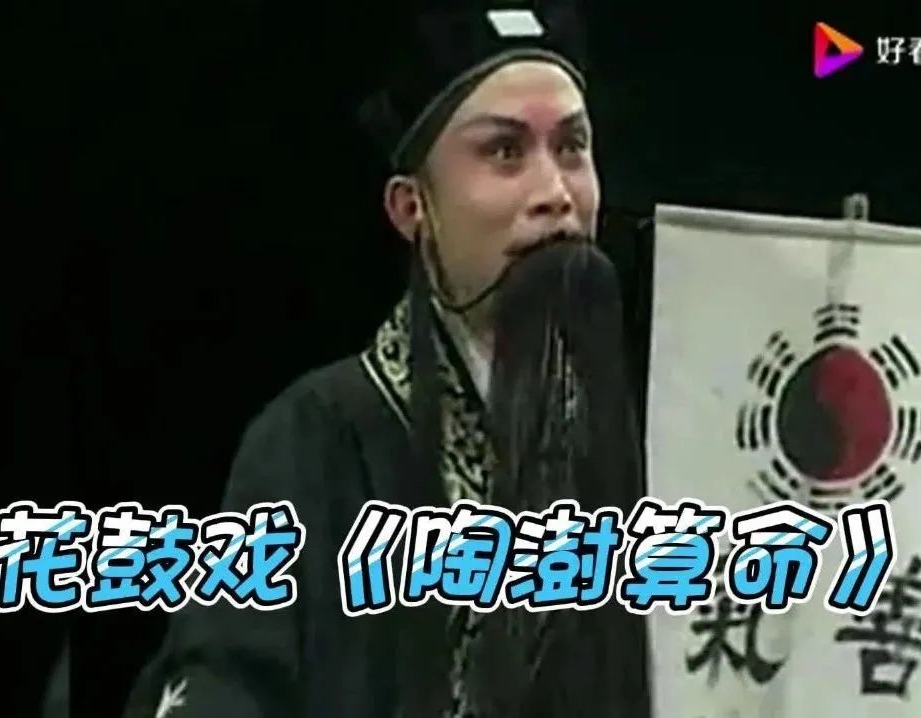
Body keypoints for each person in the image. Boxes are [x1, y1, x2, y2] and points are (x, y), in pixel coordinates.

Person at [122, 2, 651, 716]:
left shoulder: (630, 436)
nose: (555, 195)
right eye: (504, 152)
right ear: (411, 208)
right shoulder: (318, 438)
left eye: (572, 148)